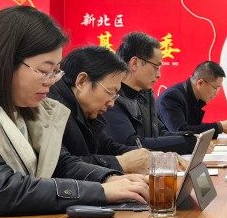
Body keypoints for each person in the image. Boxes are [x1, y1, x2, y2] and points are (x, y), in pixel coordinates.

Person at [0, 6, 148, 218]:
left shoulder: (24, 108)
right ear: (4, 61)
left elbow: (59, 164)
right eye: (44, 71)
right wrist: (100, 191)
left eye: (56, 72)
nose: (51, 81)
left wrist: (109, 179)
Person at [47, 45, 150, 173]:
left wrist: (150, 157)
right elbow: (61, 166)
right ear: (82, 81)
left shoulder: (87, 113)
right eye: (110, 92)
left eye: (115, 96)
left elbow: (108, 147)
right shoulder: (51, 109)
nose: (112, 103)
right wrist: (120, 163)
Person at [104, 32, 197, 154]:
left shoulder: (145, 95)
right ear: (135, 63)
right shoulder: (111, 98)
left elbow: (159, 133)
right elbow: (131, 144)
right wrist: (187, 143)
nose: (159, 75)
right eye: (156, 67)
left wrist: (191, 137)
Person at [157, 61, 227, 137]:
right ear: (200, 83)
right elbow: (180, 132)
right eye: (216, 88)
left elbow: (195, 128)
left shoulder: (192, 97)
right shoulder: (171, 97)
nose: (216, 93)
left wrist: (221, 128)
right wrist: (220, 127)